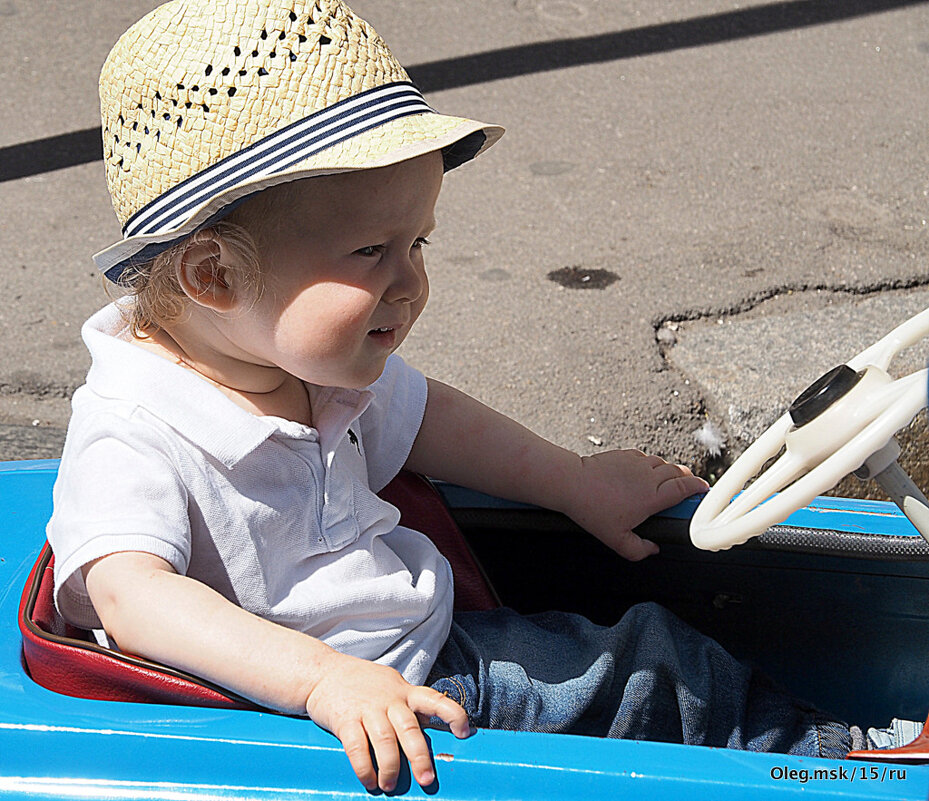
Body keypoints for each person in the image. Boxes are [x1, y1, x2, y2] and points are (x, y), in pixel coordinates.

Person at [47, 0, 914, 793]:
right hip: (383, 704)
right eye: (369, 253)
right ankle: (843, 768)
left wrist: (574, 481)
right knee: (652, 671)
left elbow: (431, 419)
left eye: (417, 241)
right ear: (213, 275)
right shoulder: (134, 430)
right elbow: (130, 594)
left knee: (658, 644)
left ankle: (831, 747)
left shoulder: (296, 362)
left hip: (424, 646)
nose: (410, 282)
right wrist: (319, 678)